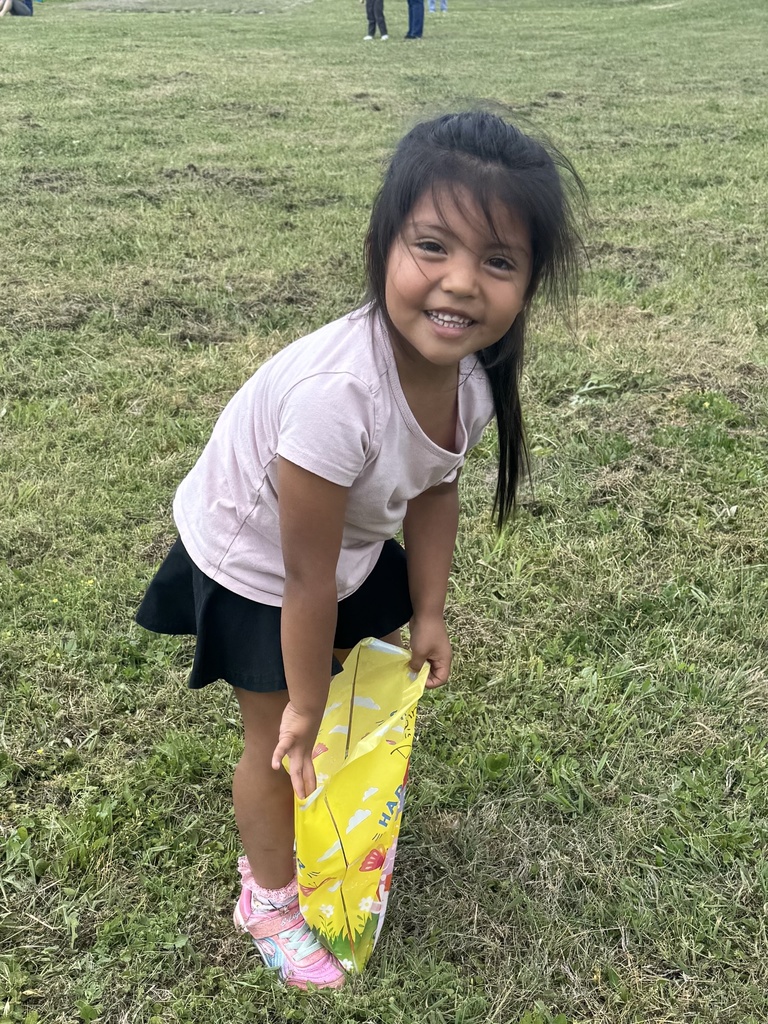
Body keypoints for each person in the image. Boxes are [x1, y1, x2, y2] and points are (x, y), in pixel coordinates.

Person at [135, 110, 584, 990]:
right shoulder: (337, 395)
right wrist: (305, 703)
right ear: (383, 245)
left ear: (532, 282)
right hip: (259, 562)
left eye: (499, 261)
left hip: (339, 544)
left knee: (330, 676)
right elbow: (304, 579)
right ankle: (266, 897)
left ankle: (311, 756)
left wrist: (428, 611)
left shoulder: (474, 378)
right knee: (275, 738)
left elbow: (437, 486)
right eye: (432, 247)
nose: (460, 284)